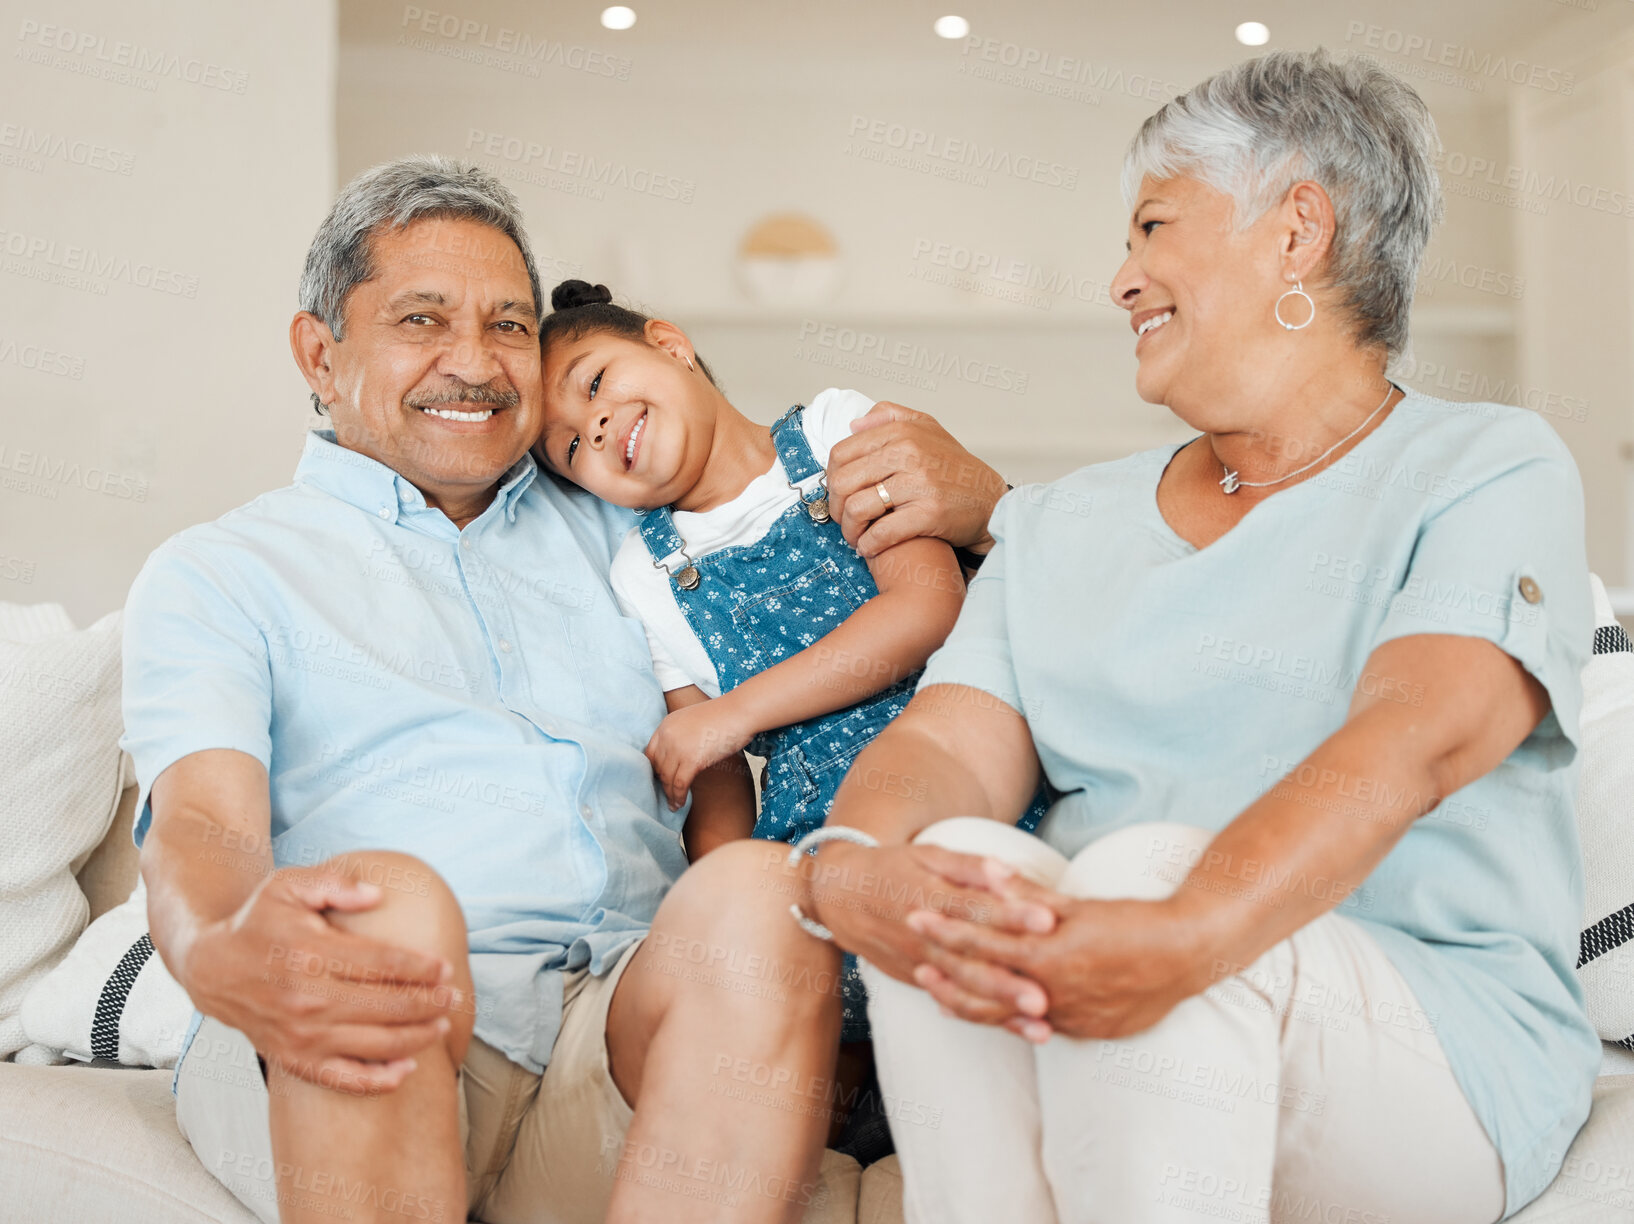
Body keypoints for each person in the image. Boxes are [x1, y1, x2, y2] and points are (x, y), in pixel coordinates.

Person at [794, 49, 1600, 1224]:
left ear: (1295, 231)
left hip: (1427, 1051)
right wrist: (846, 867)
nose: (1119, 281)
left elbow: (1415, 734)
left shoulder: (1484, 466)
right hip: (1103, 1018)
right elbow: (948, 753)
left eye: (1153, 228)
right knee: (957, 881)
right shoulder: (1065, 521)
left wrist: (1180, 935)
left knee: (1136, 870)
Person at [125, 155, 1008, 1224]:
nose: (477, 364)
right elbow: (200, 827)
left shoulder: (627, 525)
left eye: (506, 326)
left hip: (618, 1036)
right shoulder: (223, 569)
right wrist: (214, 944)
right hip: (385, 1017)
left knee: (759, 897)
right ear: (320, 353)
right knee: (381, 907)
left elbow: (835, 549)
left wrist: (980, 503)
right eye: (421, 320)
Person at [532, 279, 1044, 1052]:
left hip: (967, 768)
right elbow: (716, 775)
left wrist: (732, 714)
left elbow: (925, 607)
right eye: (571, 447)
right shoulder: (644, 575)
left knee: (990, 934)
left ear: (669, 344)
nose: (595, 428)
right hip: (817, 834)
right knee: (824, 997)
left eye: (595, 383)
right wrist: (725, 905)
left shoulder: (835, 427)